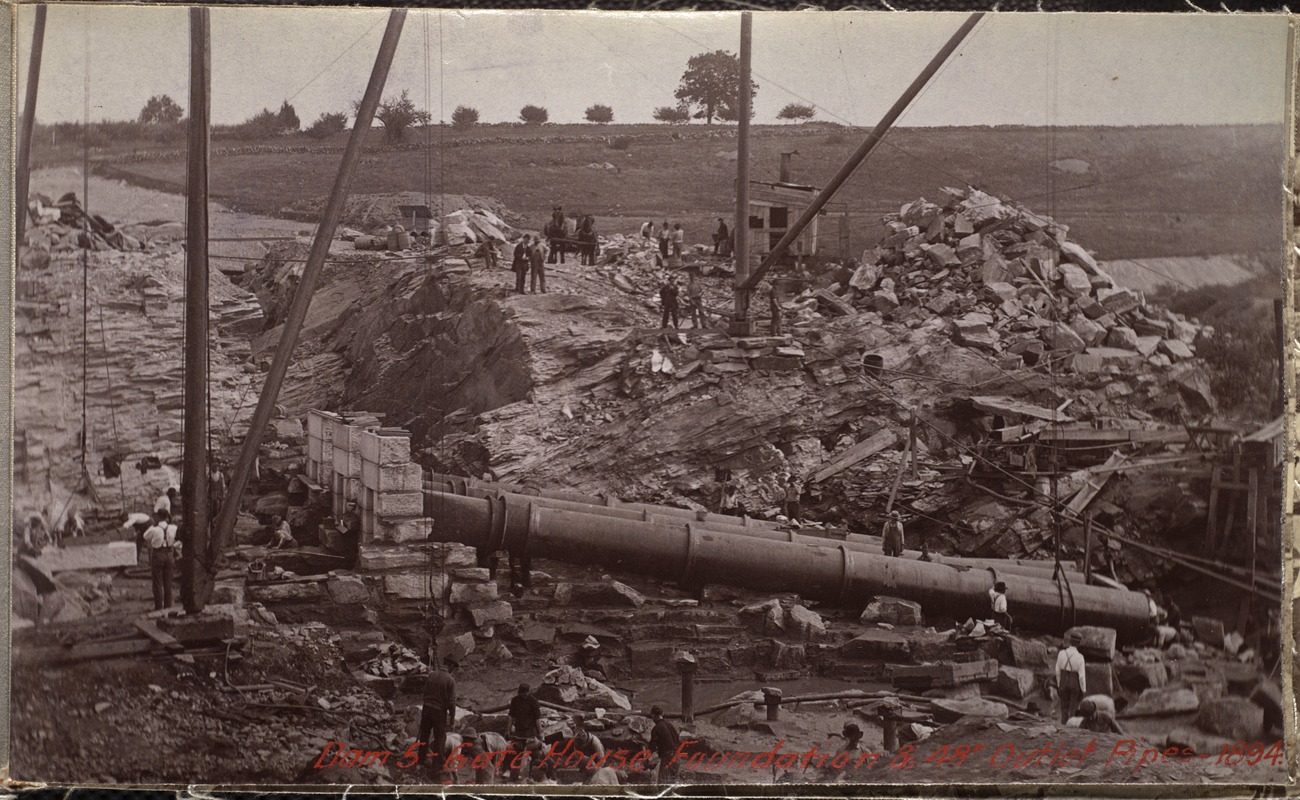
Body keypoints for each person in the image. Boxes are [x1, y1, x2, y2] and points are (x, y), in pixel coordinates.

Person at [419, 656, 459, 778]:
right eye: (454, 668)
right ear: (451, 666)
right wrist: (452, 717)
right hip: (439, 711)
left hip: (426, 708)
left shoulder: (432, 674)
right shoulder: (450, 680)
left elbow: (424, 692)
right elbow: (452, 702)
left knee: (424, 734)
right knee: (440, 737)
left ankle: (421, 759)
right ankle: (438, 766)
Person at [142, 510, 179, 611]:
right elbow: (180, 539)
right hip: (169, 554)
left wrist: (153, 526)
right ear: (167, 517)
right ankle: (168, 606)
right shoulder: (173, 528)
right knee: (168, 583)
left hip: (158, 554)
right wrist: (173, 546)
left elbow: (145, 536)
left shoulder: (154, 529)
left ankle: (158, 607)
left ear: (158, 517)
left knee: (157, 582)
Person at [1055, 638, 1087, 724]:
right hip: (1074, 682)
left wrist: (1059, 685)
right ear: (1078, 643)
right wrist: (1083, 690)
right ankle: (1071, 727)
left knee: (1064, 707)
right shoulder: (1080, 657)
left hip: (1063, 681)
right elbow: (1081, 676)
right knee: (1074, 708)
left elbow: (1057, 671)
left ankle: (1063, 725)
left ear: (1070, 642)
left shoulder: (1061, 653)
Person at [648, 706, 679, 782]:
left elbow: (652, 746)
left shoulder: (656, 728)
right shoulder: (669, 724)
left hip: (667, 757)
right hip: (677, 756)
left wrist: (646, 759)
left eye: (652, 716)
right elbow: (677, 738)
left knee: (662, 783)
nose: (652, 719)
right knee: (672, 782)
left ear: (654, 715)